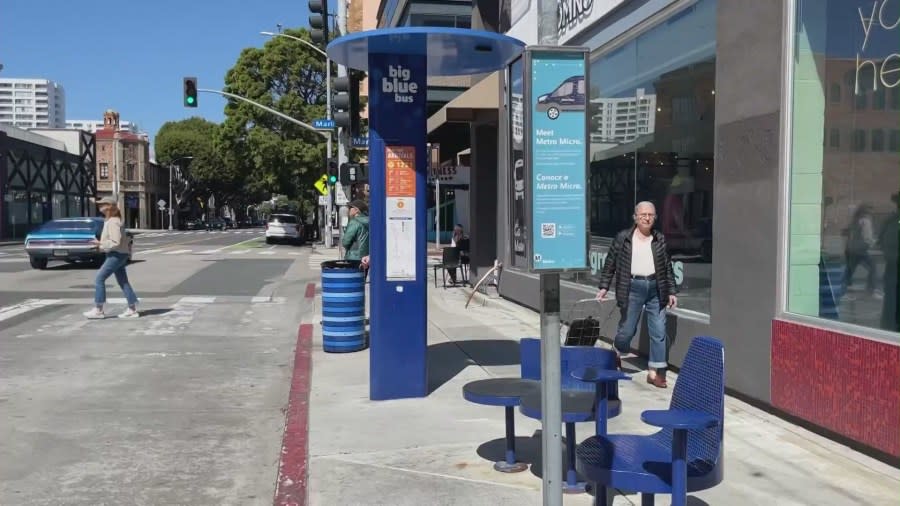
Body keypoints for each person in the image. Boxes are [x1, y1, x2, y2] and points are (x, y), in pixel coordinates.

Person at [596, 201, 677, 388]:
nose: (647, 218)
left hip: (656, 288)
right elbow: (610, 263)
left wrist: (672, 290)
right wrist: (604, 286)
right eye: (643, 215)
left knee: (658, 331)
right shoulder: (624, 238)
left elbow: (667, 267)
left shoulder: (659, 239)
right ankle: (617, 351)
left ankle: (655, 371)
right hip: (632, 286)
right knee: (627, 330)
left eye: (651, 215)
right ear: (636, 217)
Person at [84, 196, 140, 319]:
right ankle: (132, 309)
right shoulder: (111, 220)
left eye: (102, 204)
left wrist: (101, 245)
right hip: (119, 253)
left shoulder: (113, 221)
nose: (99, 206)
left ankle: (99, 309)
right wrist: (100, 244)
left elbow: (115, 242)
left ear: (109, 207)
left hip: (116, 254)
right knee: (123, 282)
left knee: (99, 278)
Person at [845, 204, 877, 294]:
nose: (873, 213)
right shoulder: (866, 221)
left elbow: (849, 234)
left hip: (852, 249)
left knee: (850, 270)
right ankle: (870, 289)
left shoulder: (855, 220)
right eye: (871, 210)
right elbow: (867, 237)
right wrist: (874, 243)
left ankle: (845, 287)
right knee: (873, 267)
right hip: (861, 250)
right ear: (867, 212)